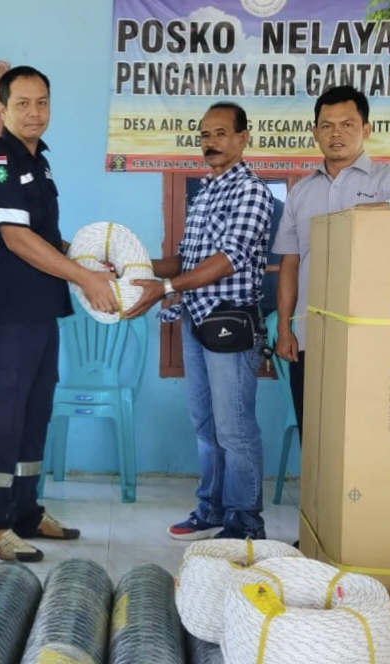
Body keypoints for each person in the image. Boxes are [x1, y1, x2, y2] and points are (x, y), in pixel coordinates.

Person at [0, 65, 118, 562]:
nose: (35, 112)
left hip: (39, 312)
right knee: (0, 421)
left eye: (42, 102)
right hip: (4, 314)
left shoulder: (39, 163)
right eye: (23, 103)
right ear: (2, 109)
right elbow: (15, 237)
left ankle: (25, 512)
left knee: (33, 417)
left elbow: (45, 238)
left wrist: (89, 262)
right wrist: (84, 280)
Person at [125, 101, 274, 541]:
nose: (211, 143)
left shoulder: (251, 192)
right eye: (205, 135)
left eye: (221, 133)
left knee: (234, 428)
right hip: (196, 319)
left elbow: (228, 259)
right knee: (206, 424)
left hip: (230, 323)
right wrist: (132, 267)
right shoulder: (205, 191)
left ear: (243, 138)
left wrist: (166, 289)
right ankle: (211, 508)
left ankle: (245, 522)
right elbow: (184, 260)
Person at [272, 85, 390, 438]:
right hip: (310, 335)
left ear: (366, 129)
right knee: (315, 434)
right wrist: (284, 328)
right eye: (327, 125)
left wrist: (379, 208)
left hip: (373, 333)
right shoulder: (301, 192)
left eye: (347, 124)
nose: (336, 133)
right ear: (315, 132)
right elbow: (290, 264)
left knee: (368, 436)